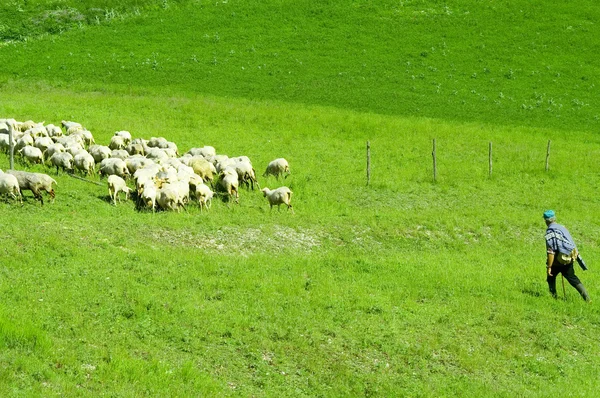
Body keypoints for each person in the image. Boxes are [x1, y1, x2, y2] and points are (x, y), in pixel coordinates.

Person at [543, 210, 590, 301]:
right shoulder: (563, 228)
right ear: (554, 218)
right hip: (568, 258)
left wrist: (549, 267)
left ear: (545, 220)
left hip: (557, 262)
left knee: (551, 278)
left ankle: (554, 298)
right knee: (573, 279)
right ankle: (587, 299)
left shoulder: (550, 233)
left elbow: (551, 252)